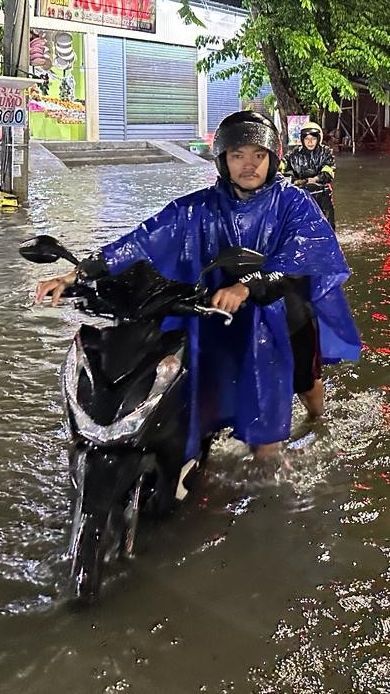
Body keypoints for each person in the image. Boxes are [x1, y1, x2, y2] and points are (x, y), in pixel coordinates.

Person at [35, 111, 360, 465]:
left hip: (283, 313)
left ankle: (316, 421)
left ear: (272, 158)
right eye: (238, 156)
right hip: (216, 311)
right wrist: (79, 273)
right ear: (223, 160)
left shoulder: (293, 202)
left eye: (258, 155)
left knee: (301, 384)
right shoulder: (199, 207)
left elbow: (302, 255)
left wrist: (247, 286)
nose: (248, 165)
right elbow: (143, 240)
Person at [280, 121, 336, 229]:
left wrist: (313, 179)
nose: (310, 142)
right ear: (302, 139)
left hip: (322, 196)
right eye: (307, 139)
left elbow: (328, 173)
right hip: (300, 196)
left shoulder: (326, 153)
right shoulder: (294, 154)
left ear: (318, 139)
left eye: (313, 139)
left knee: (326, 228)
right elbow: (282, 166)